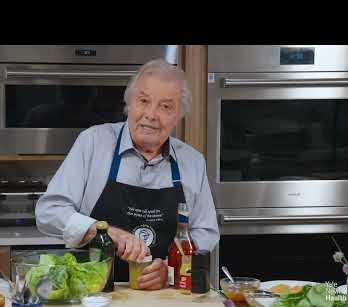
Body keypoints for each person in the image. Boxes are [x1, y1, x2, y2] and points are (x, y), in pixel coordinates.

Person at [36, 59, 219, 290]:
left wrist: (171, 269)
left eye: (165, 106)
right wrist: (103, 231)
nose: (151, 115)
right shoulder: (93, 143)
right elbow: (49, 212)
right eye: (144, 101)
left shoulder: (192, 162)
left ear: (178, 116)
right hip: (94, 296)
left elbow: (206, 232)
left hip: (164, 298)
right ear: (129, 104)